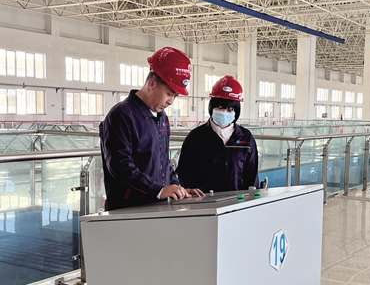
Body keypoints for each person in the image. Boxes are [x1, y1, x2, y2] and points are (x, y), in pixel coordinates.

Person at [99, 47, 203, 210]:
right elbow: (120, 165)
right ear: (152, 84)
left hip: (156, 204)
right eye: (169, 93)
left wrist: (177, 189)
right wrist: (158, 190)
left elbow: (163, 161)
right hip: (129, 208)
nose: (171, 101)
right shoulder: (121, 115)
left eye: (175, 96)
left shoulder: (162, 118)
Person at [176, 75, 259, 193]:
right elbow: (185, 171)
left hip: (237, 199)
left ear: (236, 112)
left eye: (230, 109)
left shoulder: (245, 137)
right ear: (211, 107)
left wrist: (251, 197)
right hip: (204, 200)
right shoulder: (196, 137)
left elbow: (252, 173)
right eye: (220, 108)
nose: (224, 113)